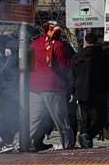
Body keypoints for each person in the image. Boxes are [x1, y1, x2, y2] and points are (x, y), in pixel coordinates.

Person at [28, 21, 75, 151]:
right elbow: (64, 67)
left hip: (35, 86)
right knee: (61, 119)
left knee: (33, 119)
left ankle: (24, 143)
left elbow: (30, 65)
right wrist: (69, 85)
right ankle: (68, 145)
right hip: (53, 86)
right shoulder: (59, 46)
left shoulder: (34, 44)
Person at [71, 33, 109, 149]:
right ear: (97, 41)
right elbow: (108, 75)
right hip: (96, 91)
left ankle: (86, 143)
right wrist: (105, 88)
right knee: (101, 119)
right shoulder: (102, 56)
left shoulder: (77, 56)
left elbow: (72, 74)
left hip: (81, 91)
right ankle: (87, 136)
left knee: (85, 119)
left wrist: (73, 89)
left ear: (85, 42)